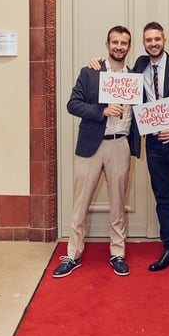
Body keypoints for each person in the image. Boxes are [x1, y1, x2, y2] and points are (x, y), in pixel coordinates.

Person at [89, 22, 169, 286]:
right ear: (143, 44)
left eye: (157, 39)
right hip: (154, 146)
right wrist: (96, 65)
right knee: (162, 199)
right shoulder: (140, 67)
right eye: (148, 40)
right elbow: (115, 79)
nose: (153, 43)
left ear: (164, 39)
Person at [53, 25, 139, 278]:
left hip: (120, 145)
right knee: (80, 204)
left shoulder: (135, 77)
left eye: (124, 43)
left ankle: (117, 253)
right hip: (92, 144)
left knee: (117, 204)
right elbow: (72, 104)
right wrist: (101, 111)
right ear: (107, 44)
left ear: (129, 47)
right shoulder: (90, 72)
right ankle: (73, 254)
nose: (119, 47)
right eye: (115, 42)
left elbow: (152, 103)